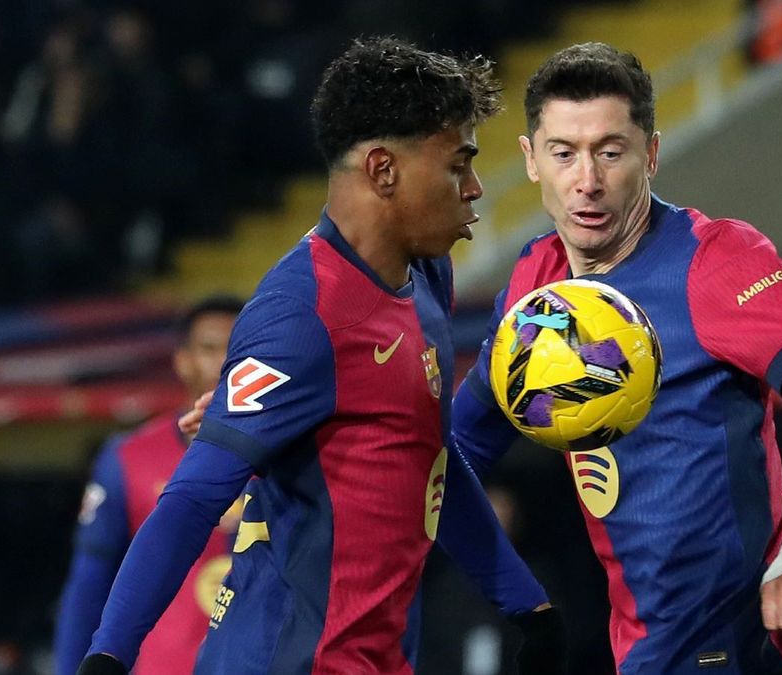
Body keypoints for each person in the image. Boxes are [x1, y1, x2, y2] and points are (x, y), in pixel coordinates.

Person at [77, 38, 565, 675]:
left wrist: (528, 607)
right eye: (456, 165)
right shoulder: (300, 316)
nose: (475, 187)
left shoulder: (427, 278)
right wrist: (107, 657)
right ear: (383, 170)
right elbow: (192, 500)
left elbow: (429, 467)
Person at [449, 43, 782, 674]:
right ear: (530, 161)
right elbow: (458, 449)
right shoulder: (536, 283)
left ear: (651, 154)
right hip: (646, 655)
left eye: (611, 151)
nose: (588, 180)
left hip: (753, 654)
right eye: (564, 153)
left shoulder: (713, 262)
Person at [54, 295, 244, 675]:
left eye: (237, 346)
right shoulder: (128, 458)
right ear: (182, 360)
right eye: (210, 348)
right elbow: (90, 585)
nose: (224, 360)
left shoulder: (294, 457)